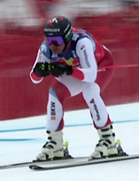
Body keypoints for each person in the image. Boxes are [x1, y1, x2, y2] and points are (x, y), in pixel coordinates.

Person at [30, 16, 125, 161]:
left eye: (57, 41)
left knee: (89, 90)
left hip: (101, 65)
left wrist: (68, 70)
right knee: (55, 94)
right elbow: (34, 78)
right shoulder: (46, 48)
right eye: (49, 40)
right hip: (77, 69)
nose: (53, 45)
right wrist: (39, 72)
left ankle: (109, 140)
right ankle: (56, 143)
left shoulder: (82, 43)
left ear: (67, 37)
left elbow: (91, 74)